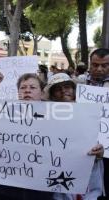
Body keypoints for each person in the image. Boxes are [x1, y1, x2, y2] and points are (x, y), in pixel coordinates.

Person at [0, 73, 53, 200]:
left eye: (32, 87)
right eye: (23, 88)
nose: (27, 90)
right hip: (5, 186)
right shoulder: (5, 112)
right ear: (18, 92)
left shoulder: (56, 115)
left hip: (38, 187)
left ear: (42, 92)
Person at [44, 73, 104, 200]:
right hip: (58, 174)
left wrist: (100, 152)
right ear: (52, 94)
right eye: (57, 89)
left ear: (73, 89)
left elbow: (102, 138)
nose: (63, 91)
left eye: (66, 86)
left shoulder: (91, 110)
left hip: (89, 174)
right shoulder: (46, 114)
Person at [85, 48, 109, 200]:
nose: (99, 69)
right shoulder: (77, 84)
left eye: (105, 65)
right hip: (85, 148)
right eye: (95, 65)